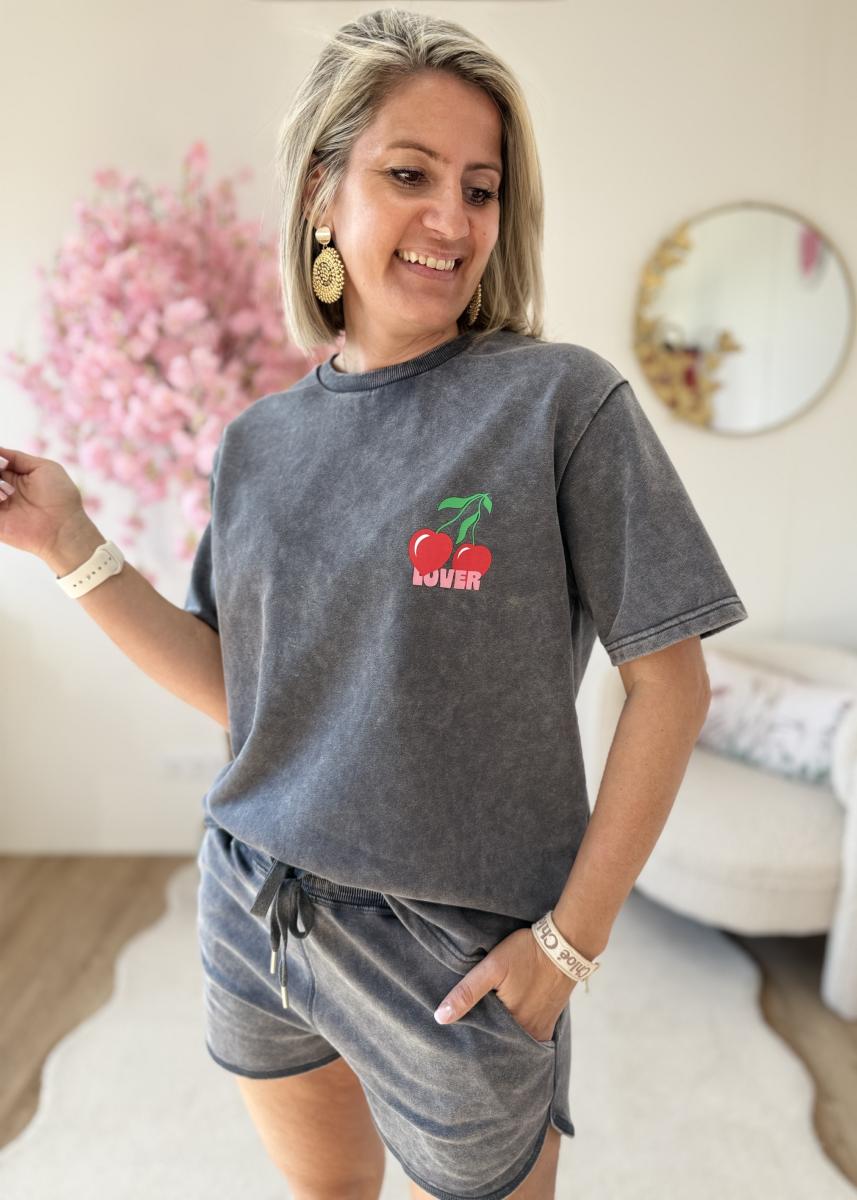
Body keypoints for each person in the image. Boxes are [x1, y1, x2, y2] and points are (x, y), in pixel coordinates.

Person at [0, 10, 749, 1199]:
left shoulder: (560, 405)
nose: (451, 219)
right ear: (321, 192)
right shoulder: (256, 442)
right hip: (255, 905)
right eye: (409, 175)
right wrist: (65, 541)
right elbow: (244, 691)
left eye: (479, 189)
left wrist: (567, 946)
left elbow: (671, 684)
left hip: (454, 957)